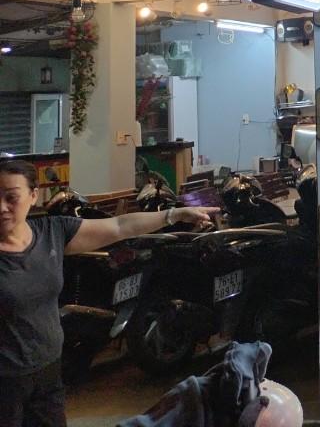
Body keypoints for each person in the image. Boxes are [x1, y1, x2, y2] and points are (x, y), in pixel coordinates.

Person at [0, 158, 219, 427]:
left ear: (33, 195)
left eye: (11, 197)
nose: (2, 207)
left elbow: (119, 226)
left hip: (47, 371)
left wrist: (173, 215)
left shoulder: (52, 232)